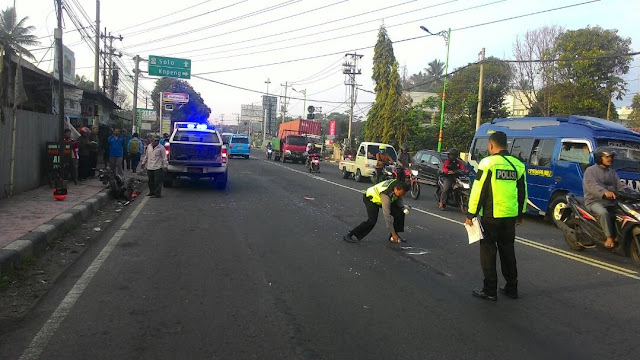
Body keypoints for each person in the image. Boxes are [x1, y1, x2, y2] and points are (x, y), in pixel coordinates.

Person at [466, 131, 527, 301]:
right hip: (510, 217)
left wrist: (471, 214)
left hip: (491, 217)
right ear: (506, 145)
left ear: (491, 145)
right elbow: (522, 192)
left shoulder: (488, 163)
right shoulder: (517, 165)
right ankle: (511, 287)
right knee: (508, 251)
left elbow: (478, 190)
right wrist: (520, 215)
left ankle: (490, 290)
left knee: (488, 252)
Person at [583, 147, 629, 249]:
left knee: (625, 214)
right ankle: (609, 238)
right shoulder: (590, 171)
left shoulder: (612, 172)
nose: (610, 159)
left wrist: (630, 191)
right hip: (594, 201)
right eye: (606, 157)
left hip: (611, 202)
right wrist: (604, 192)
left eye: (611, 157)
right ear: (600, 158)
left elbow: (619, 184)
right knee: (603, 213)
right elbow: (591, 186)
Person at [344, 179, 411, 244]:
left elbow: (398, 198)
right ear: (396, 189)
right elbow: (387, 216)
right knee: (372, 221)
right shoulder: (386, 195)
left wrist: (402, 207)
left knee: (399, 213)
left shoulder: (398, 184)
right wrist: (393, 232)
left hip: (382, 198)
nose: (401, 195)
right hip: (371, 199)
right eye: (400, 193)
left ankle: (394, 236)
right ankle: (350, 235)